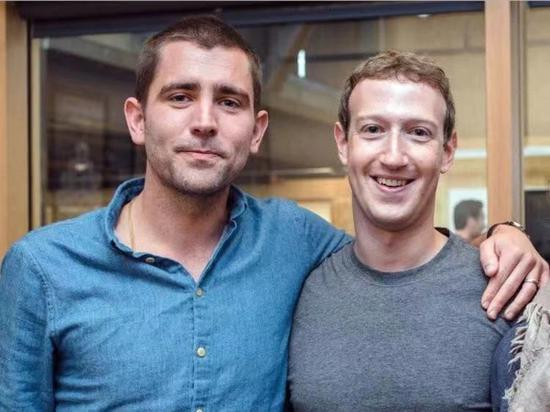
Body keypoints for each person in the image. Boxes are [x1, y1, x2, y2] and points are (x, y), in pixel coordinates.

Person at [0, 16, 547, 411]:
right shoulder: (42, 269)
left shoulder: (294, 240)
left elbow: (396, 246)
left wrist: (505, 235)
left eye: (229, 101)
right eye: (180, 96)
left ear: (257, 130)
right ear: (138, 120)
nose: (205, 122)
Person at [287, 50, 547, 411]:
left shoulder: (505, 290)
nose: (394, 156)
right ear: (343, 143)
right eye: (373, 129)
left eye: (418, 133)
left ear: (447, 151)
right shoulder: (299, 291)